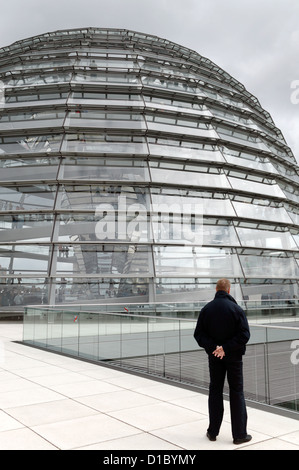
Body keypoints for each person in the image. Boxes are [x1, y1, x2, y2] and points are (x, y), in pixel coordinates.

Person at [194, 278, 252, 445]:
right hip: (234, 358)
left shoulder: (206, 309)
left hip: (214, 357)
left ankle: (212, 432)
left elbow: (198, 335)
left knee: (215, 391)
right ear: (228, 290)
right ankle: (239, 434)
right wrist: (225, 348)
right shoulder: (236, 309)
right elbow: (244, 335)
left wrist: (215, 348)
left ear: (216, 289)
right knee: (236, 392)